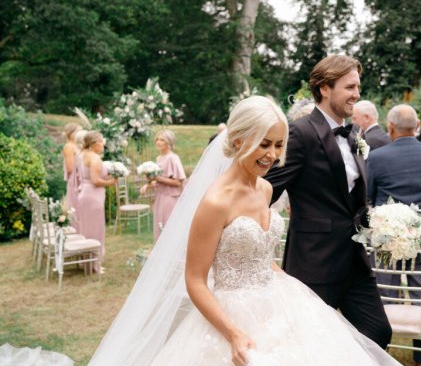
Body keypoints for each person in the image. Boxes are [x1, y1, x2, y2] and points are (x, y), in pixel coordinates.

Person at [89, 96, 401, 366]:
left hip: (278, 302)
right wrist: (234, 334)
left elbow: (262, 253)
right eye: (263, 144)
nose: (272, 154)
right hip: (230, 316)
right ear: (239, 139)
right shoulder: (215, 201)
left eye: (278, 145)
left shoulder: (266, 189)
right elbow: (195, 280)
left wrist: (294, 292)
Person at [265, 55, 392, 349]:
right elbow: (265, 189)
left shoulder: (355, 134)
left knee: (378, 332)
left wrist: (385, 226)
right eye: (349, 87)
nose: (357, 94)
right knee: (306, 345)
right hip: (314, 263)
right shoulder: (300, 133)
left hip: (354, 263)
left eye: (358, 86)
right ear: (324, 88)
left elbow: (349, 198)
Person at [368, 104, 421, 366]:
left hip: (386, 238)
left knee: (385, 293)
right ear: (417, 126)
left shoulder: (377, 157)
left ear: (390, 128)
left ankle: (380, 350)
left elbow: (369, 195)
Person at [77, 131, 116, 272]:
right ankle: (94, 264)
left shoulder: (82, 155)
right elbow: (95, 181)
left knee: (86, 229)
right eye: (100, 141)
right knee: (96, 230)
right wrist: (111, 181)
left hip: (84, 194)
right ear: (93, 144)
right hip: (93, 196)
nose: (103, 144)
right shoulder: (94, 158)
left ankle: (86, 261)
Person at [140, 129, 186, 241]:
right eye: (157, 139)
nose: (158, 142)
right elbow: (160, 181)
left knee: (169, 227)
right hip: (160, 196)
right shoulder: (159, 158)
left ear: (169, 143)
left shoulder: (173, 158)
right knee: (160, 226)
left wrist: (156, 178)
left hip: (170, 198)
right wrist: (148, 184)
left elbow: (177, 182)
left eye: (162, 140)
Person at [62, 122, 82, 230]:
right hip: (74, 182)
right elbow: (70, 168)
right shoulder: (68, 147)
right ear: (71, 133)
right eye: (78, 131)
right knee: (75, 208)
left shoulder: (77, 145)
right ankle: (76, 232)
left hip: (80, 181)